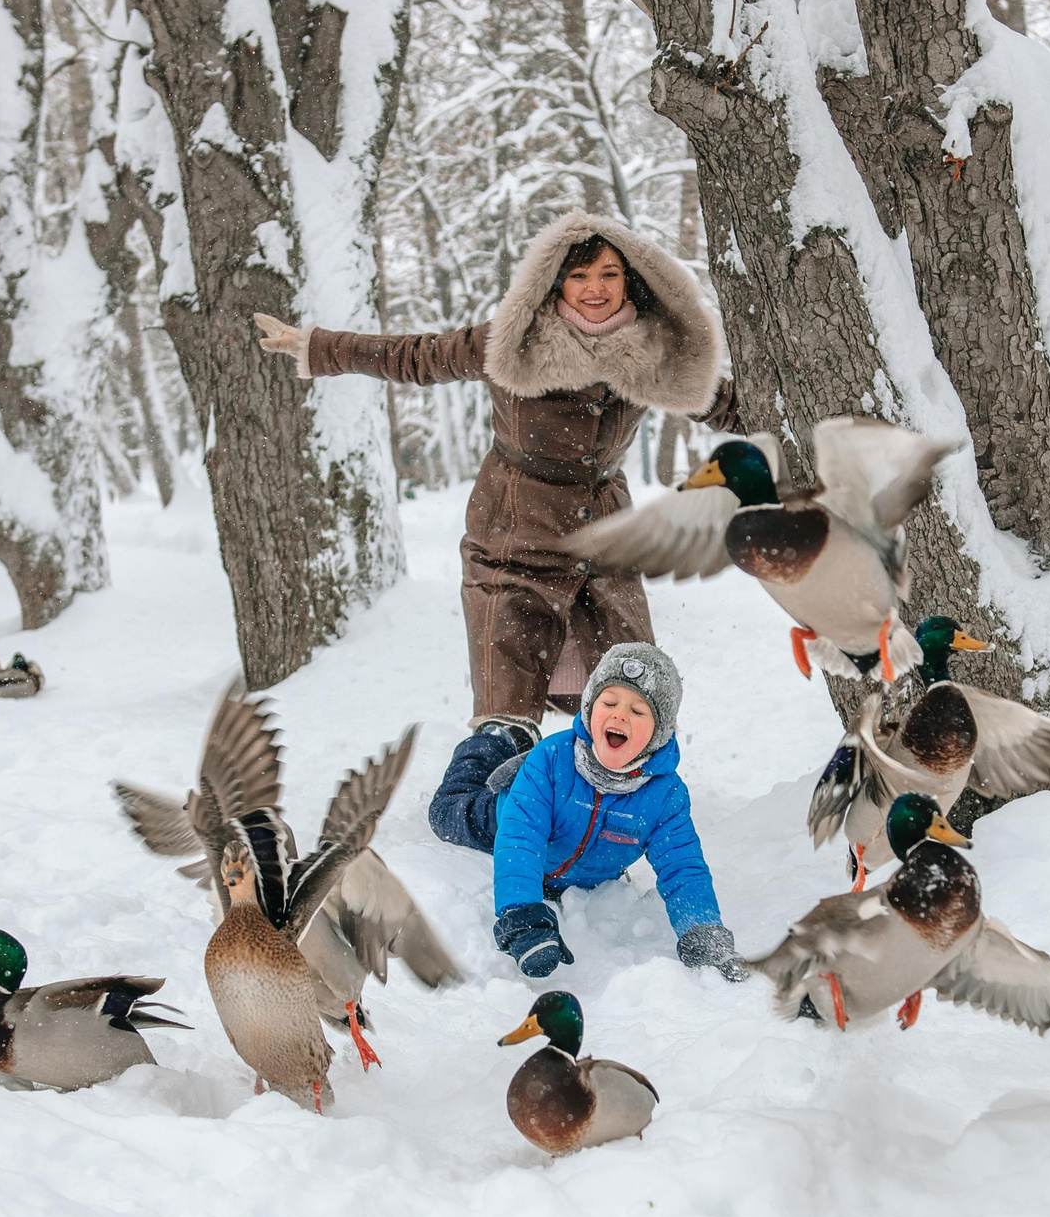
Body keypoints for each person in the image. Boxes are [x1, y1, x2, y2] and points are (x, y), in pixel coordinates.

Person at [253, 211, 746, 761]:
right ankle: (483, 805)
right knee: (505, 707)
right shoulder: (514, 340)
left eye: (609, 274)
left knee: (630, 692)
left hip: (605, 535)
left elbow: (721, 403)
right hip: (514, 531)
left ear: (629, 281)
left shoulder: (652, 352)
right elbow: (417, 357)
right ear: (557, 281)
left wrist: (808, 423)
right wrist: (321, 347)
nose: (594, 289)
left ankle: (617, 803)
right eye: (579, 276)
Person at [428, 643, 744, 982]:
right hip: (508, 817)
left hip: (575, 857)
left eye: (638, 711)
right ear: (590, 708)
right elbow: (520, 842)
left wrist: (704, 935)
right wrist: (522, 917)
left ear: (659, 733)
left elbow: (683, 868)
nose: (620, 715)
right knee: (446, 814)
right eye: (609, 703)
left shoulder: (665, 796)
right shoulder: (551, 760)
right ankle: (498, 737)